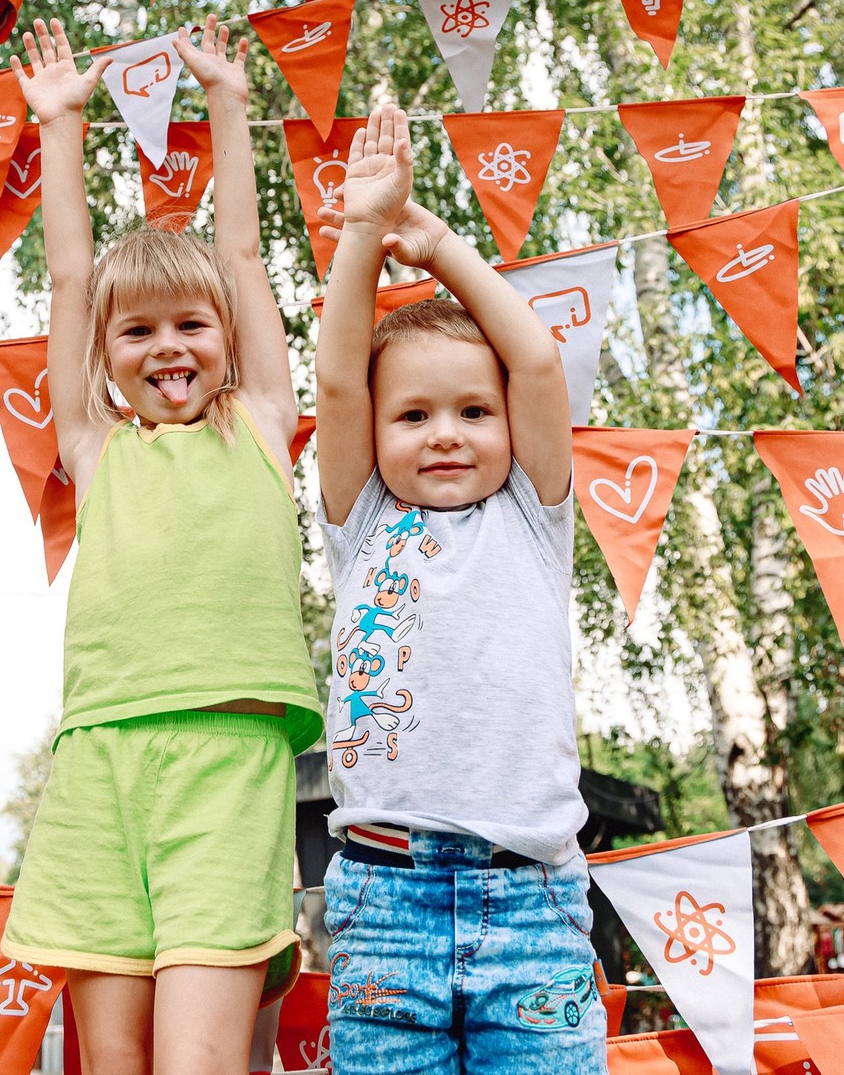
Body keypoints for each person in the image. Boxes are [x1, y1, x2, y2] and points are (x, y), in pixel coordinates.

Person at [0, 17, 323, 1074]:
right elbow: (65, 279)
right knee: (113, 1058)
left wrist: (227, 102)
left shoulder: (263, 421)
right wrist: (60, 127)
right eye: (134, 332)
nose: (167, 346)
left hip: (228, 760)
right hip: (102, 759)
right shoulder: (93, 446)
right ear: (103, 356)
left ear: (226, 335)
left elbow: (237, 251)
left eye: (189, 323)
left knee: (199, 1059)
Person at [312, 104, 601, 1072]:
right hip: (382, 900)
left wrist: (438, 248)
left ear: (509, 427)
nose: (444, 432)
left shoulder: (531, 514)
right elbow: (340, 381)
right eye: (415, 414)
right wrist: (362, 231)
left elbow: (536, 358)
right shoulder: (360, 525)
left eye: (473, 411)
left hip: (529, 900)